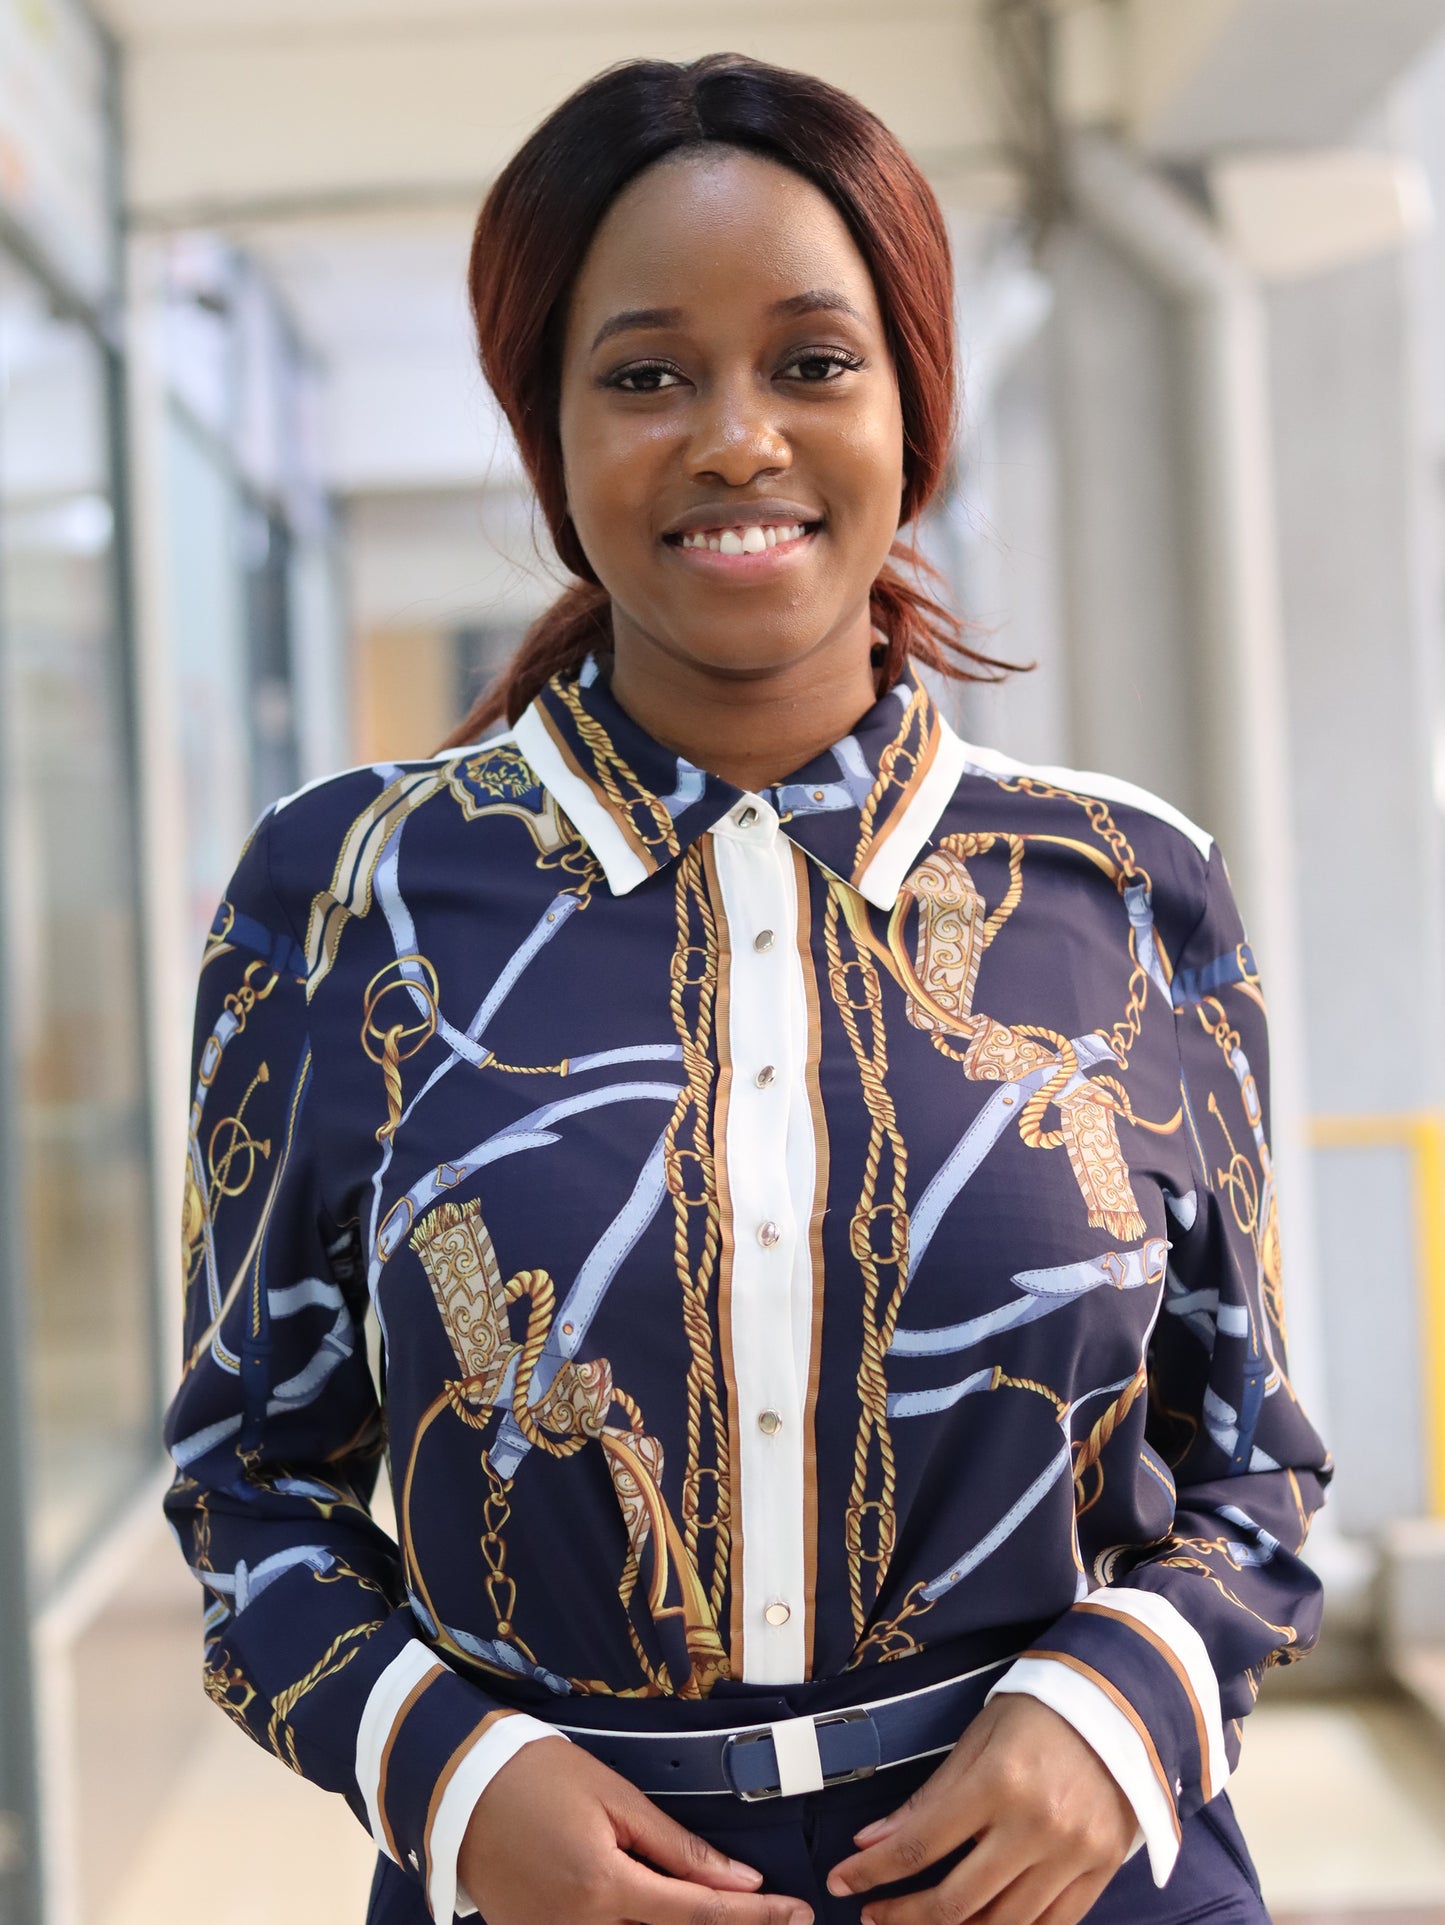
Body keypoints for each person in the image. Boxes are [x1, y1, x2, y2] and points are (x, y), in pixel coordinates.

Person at [164, 53, 1331, 1925]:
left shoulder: (1125, 886)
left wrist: (1121, 1714)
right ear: (546, 431)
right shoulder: (347, 897)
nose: (735, 439)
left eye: (811, 362)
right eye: (645, 377)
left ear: (909, 405)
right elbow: (249, 1485)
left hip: (1066, 1874)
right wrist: (451, 1777)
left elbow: (1254, 1464)